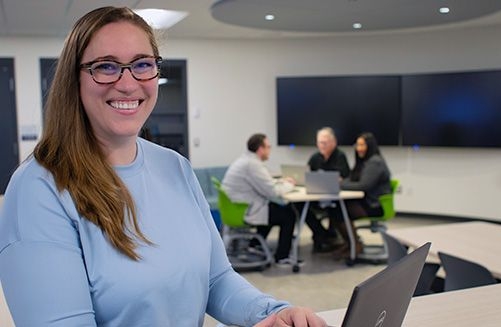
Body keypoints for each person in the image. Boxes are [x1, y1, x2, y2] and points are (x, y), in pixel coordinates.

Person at [0, 6, 326, 327]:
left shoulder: (175, 167)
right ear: (74, 78)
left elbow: (216, 280)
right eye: (106, 66)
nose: (128, 84)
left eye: (142, 64)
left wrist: (272, 312)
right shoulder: (39, 190)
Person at [222, 133, 300, 265]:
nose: (270, 150)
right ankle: (282, 256)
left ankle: (256, 243)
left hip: (237, 209)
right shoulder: (252, 165)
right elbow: (272, 192)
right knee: (288, 214)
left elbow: (265, 183)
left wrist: (281, 181)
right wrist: (289, 185)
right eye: (268, 147)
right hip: (245, 212)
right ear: (260, 149)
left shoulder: (245, 160)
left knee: (272, 208)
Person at [336, 132, 392, 259]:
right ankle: (350, 243)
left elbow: (363, 185)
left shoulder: (374, 163)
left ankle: (354, 244)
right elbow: (351, 180)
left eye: (362, 145)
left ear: (370, 146)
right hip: (366, 202)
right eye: (357, 145)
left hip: (375, 205)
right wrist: (341, 182)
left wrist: (339, 185)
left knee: (338, 210)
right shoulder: (363, 162)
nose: (359, 148)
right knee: (336, 208)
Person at [306, 127, 350, 250]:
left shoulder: (340, 156)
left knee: (335, 210)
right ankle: (321, 234)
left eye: (325, 143)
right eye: (320, 142)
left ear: (333, 142)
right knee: (301, 208)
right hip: (315, 195)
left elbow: (344, 177)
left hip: (334, 197)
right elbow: (307, 174)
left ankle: (330, 236)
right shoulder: (315, 157)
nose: (322, 145)